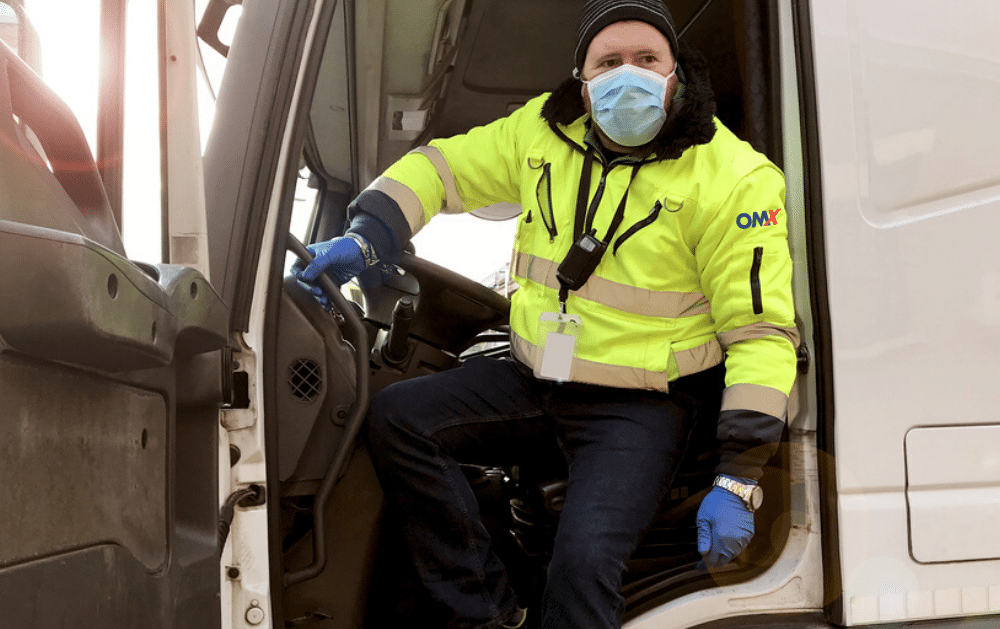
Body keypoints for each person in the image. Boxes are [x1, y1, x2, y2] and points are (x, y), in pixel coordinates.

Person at [292, 0, 798, 627]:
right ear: (583, 82)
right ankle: (490, 614)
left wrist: (740, 475)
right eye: (608, 62)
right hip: (539, 377)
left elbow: (762, 336)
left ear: (677, 71)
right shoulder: (542, 132)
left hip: (640, 405)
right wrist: (371, 233)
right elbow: (441, 168)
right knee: (398, 418)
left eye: (647, 59)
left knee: (581, 566)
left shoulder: (736, 177)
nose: (629, 75)